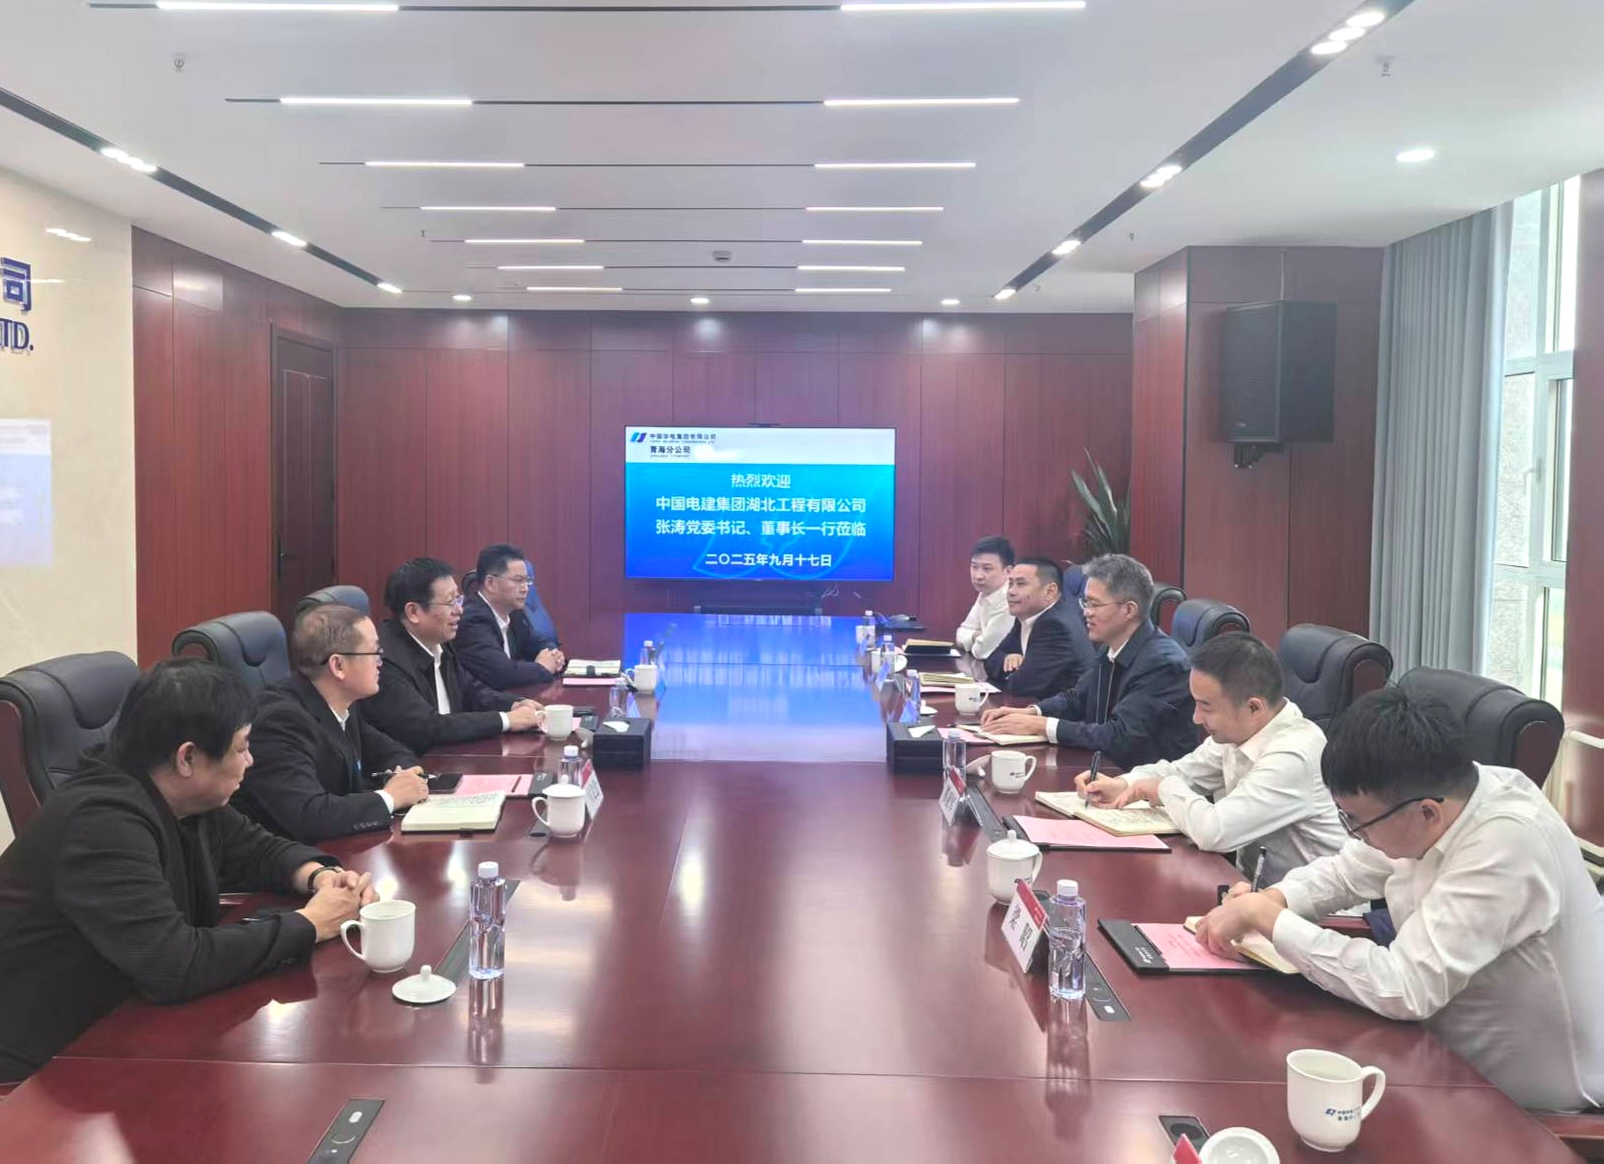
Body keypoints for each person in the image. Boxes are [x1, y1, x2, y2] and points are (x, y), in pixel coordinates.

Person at [1195, 688, 1604, 1112]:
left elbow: (1405, 987)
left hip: (1528, 1108)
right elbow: (1348, 870)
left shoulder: (1507, 843)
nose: (1354, 833)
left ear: (1426, 813)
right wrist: (1273, 898)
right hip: (1433, 1057)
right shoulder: (1438, 795)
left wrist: (1269, 919)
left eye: (1357, 822)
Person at [0, 659, 374, 1083]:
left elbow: (257, 849)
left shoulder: (177, 793)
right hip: (48, 1059)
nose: (250, 760)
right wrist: (311, 923)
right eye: (241, 748)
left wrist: (319, 877)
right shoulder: (101, 824)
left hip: (125, 1017)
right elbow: (175, 965)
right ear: (188, 758)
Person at [1077, 633, 1344, 884]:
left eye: (1206, 707)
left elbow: (1215, 832)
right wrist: (1125, 784)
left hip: (1313, 911)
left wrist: (1162, 788)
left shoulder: (1293, 754)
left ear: (1253, 707)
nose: (1196, 718)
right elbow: (1182, 772)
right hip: (1252, 892)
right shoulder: (1242, 731)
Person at [233, 603, 430, 844]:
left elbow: (388, 750)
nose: (381, 661)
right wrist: (390, 797)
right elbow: (308, 815)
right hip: (288, 858)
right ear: (338, 666)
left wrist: (406, 773)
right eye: (374, 652)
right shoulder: (279, 721)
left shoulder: (341, 700)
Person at [982, 553, 1194, 767]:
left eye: (1095, 604)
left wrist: (1041, 725)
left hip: (1141, 779)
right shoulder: (1110, 645)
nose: (1086, 613)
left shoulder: (1162, 663)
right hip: (1103, 767)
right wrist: (1031, 712)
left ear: (1129, 610)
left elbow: (1120, 735)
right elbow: (1078, 697)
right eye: (1085, 602)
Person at [362, 557, 545, 755]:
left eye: (458, 599)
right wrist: (506, 720)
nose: (459, 610)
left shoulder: (439, 642)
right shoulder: (385, 662)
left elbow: (471, 691)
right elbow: (427, 727)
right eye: (450, 602)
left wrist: (513, 704)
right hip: (418, 765)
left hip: (452, 756)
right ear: (413, 612)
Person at [456, 543, 566, 691]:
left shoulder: (513, 612)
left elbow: (539, 642)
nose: (525, 588)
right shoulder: (471, 620)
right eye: (518, 580)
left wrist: (553, 654)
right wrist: (542, 668)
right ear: (491, 583)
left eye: (527, 581)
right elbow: (501, 673)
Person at [982, 557, 1096, 698]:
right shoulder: (1026, 615)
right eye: (1010, 583)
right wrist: (1008, 658)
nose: (1011, 591)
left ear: (1050, 592)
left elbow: (1021, 686)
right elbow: (991, 661)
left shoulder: (1056, 626)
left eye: (1021, 584)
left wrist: (1014, 669)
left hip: (1062, 710)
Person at [954, 535, 1015, 661]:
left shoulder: (1010, 598)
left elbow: (983, 651)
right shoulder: (986, 592)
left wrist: (977, 639)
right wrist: (977, 636)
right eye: (974, 567)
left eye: (987, 569)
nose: (978, 576)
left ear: (1008, 571)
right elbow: (961, 632)